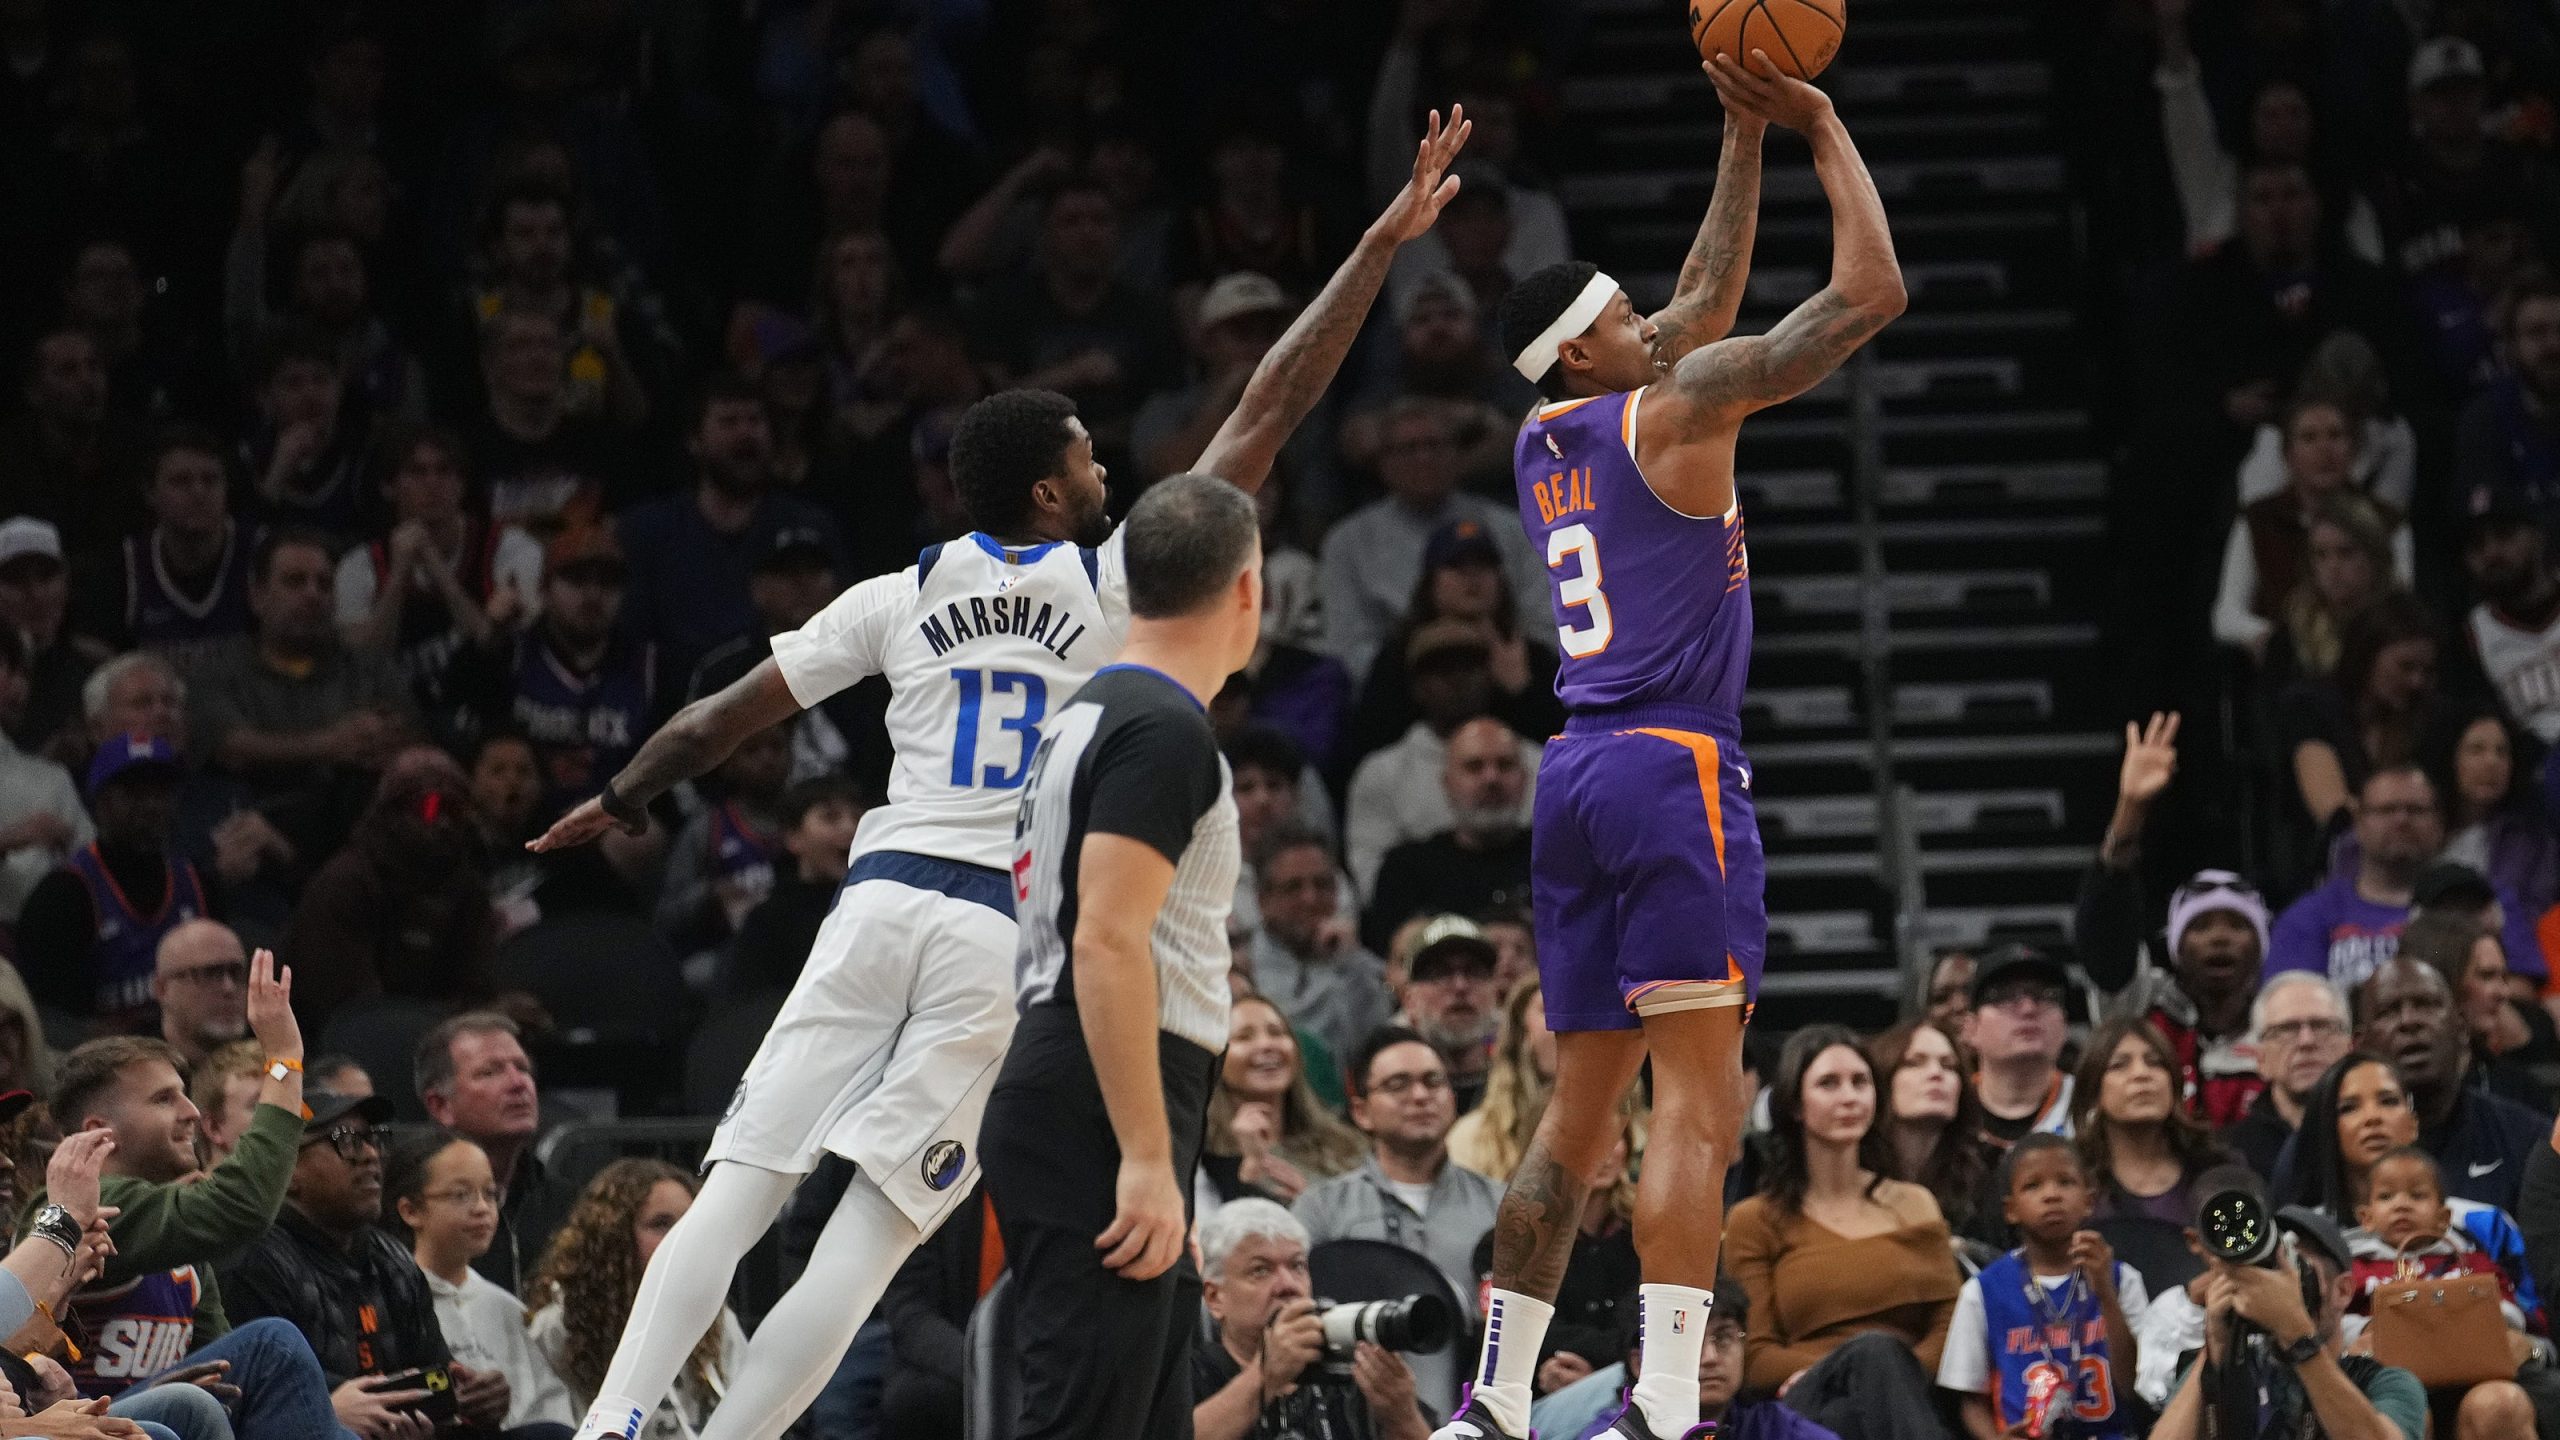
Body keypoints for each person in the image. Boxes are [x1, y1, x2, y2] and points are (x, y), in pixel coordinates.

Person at [532, 117, 1473, 1440]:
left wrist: (619, 795)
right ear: (1048, 491)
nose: (1105, 465)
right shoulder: (1110, 582)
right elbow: (1264, 405)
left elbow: (717, 719)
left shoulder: (895, 594)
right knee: (862, 1244)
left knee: (738, 1184)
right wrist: (1377, 245)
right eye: (1089, 453)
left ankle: (611, 1427)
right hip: (999, 936)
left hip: (876, 902)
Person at [1447, 53, 1908, 1439]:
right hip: (1672, 769)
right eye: (1624, 314)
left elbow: (1698, 305)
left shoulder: (1546, 433)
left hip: (1573, 776)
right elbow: (1867, 296)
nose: (1655, 316)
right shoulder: (1682, 407)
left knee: (1569, 1124)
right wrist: (1821, 124)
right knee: (1697, 1108)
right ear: (1589, 346)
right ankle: (1659, 1403)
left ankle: (1495, 1403)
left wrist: (1735, 131)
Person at [979, 465, 1280, 1440]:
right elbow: (1105, 939)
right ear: (1246, 588)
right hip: (1101, 1093)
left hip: (1086, 1083)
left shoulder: (1094, 711)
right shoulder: (1160, 729)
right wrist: (1149, 1159)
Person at [39, 957, 387, 1440]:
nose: (191, 1113)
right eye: (164, 1100)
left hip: (162, 1415)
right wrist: (283, 1060)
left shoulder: (177, 1232)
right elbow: (240, 1208)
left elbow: (221, 1357)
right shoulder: (76, 1206)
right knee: (271, 1343)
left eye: (186, 1095)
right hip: (72, 1424)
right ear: (101, 1132)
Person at [1721, 1028, 1955, 1440]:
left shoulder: (1915, 1202)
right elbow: (1754, 1355)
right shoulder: (1754, 1219)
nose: (1849, 1097)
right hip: (1805, 1400)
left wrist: (1892, 1373)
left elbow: (1949, 1323)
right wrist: (1861, 1363)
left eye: (1860, 1082)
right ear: (1794, 1104)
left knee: (1869, 1388)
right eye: (1829, 1083)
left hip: (1909, 1393)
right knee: (1873, 1354)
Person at [2074, 712, 2274, 1125]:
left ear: (2261, 945)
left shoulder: (2286, 1025)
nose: (2219, 938)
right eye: (2201, 927)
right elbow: (2107, 939)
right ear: (2175, 946)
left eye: (2237, 926)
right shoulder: (2142, 1010)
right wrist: (2130, 811)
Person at [187, 527, 416, 861]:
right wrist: (332, 744)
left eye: (324, 584)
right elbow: (231, 746)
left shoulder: (369, 669)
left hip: (358, 835)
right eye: (295, 582)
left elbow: (409, 735)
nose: (313, 594)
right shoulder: (221, 671)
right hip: (257, 834)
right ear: (257, 595)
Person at [2145, 1204, 2424, 1440]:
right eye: (2268, 1273)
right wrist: (2216, 1344)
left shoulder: (2385, 1381)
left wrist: (2297, 1335)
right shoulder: (2216, 1369)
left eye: (2295, 1270)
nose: (2278, 1287)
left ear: (2343, 1291)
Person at [1937, 1135, 2147, 1440]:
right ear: (2010, 1210)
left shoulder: (2121, 1278)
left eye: (2065, 1182)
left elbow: (2134, 1384)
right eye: (2033, 1186)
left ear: (2089, 1201)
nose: (2051, 1195)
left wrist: (2105, 1294)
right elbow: (1969, 1398)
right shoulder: (1982, 1290)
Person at [1294, 1027, 1505, 1330]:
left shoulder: (1500, 1205)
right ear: (1361, 1112)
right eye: (1398, 1085)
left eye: (1433, 1082)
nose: (1420, 1096)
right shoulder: (1321, 1210)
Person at [1319, 401, 1545, 683]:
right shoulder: (1348, 542)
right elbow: (1347, 648)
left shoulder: (1514, 528)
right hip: (1397, 692)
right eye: (1409, 449)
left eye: (1435, 445)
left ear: (1459, 455)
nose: (1423, 458)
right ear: (1383, 462)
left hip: (1506, 681)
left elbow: (1544, 626)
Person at [525, 1161, 744, 1440]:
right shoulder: (560, 1327)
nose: (680, 1239)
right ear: (614, 1235)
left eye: (689, 1224)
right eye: (661, 1224)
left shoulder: (714, 1317)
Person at [1191, 1198, 1433, 1440]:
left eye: (1297, 1266)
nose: (1288, 1285)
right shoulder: (1188, 1376)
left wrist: (1404, 1417)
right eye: (1260, 1270)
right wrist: (1264, 1377)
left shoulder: (1356, 1376)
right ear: (1215, 1298)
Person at [385, 1130, 577, 1431]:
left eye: (490, 1193)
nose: (482, 1209)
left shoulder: (508, 1309)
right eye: (460, 1195)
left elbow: (550, 1411)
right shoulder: (391, 1301)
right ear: (411, 1211)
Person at [14, 735, 208, 1031]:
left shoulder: (198, 882)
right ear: (99, 804)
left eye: (161, 791)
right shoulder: (63, 896)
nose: (151, 805)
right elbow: (50, 1023)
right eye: (133, 793)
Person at [2354, 959, 2548, 1212]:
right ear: (2359, 1044)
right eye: (2388, 1011)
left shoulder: (2527, 1139)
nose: (2409, 1021)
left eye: (2426, 1005)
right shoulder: (2325, 1147)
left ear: (2461, 1028)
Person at [2267, 766, 2467, 989]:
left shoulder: (2476, 904)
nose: (2402, 820)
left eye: (2416, 810)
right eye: (2386, 810)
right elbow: (2288, 1004)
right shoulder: (2307, 918)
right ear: (2358, 823)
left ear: (2440, 824)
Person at [413, 1014, 565, 1299]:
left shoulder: (565, 1204)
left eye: (522, 1068)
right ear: (441, 1106)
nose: (518, 1083)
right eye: (490, 1072)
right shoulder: (410, 1208)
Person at [1365, 715, 1534, 951]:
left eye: (1505, 765)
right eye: (1474, 767)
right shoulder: (1406, 871)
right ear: (1447, 783)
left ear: (1525, 779)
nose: (1492, 779)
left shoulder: (1558, 860)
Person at [89, 430, 255, 667]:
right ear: (150, 493)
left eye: (210, 480)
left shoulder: (263, 556)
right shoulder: (125, 567)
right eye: (181, 481)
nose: (198, 492)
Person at [1243, 824, 1393, 1070]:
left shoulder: (1358, 962)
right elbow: (1299, 1040)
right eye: (1293, 887)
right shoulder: (1243, 968)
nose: (1310, 899)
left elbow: (1377, 1044)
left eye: (1322, 885)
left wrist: (1351, 966)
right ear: (1263, 900)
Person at [1201, 994, 1366, 1206]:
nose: (1267, 1045)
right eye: (1244, 1037)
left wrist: (1312, 1208)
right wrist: (1250, 1169)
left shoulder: (1345, 1145)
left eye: (1277, 1033)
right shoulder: (1200, 1152)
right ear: (1215, 1057)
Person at [715, 777, 865, 1000]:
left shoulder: (882, 903)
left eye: (858, 818)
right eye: (830, 817)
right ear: (793, 837)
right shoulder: (768, 922)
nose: (850, 828)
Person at [1865, 1018, 1993, 1242]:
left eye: (1949, 1065)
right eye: (1914, 1063)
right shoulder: (1853, 1174)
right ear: (1882, 1079)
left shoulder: (1989, 1172)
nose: (1936, 1073)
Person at [0, 629, 92, 925]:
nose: (17, 687)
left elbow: (91, 868)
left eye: (24, 673)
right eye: (7, 669)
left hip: (35, 938)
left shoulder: (50, 778)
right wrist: (8, 841)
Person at [2226, 973, 2355, 1179]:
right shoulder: (2232, 1156)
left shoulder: (2378, 1137)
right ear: (2261, 1057)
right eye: (2287, 1029)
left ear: (2349, 1046)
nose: (2306, 1041)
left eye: (2322, 1026)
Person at [1965, 946, 2077, 1146]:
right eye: (2004, 996)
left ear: (2065, 1025)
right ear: (1971, 1028)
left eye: (2046, 996)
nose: (2028, 1009)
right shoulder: (1947, 1110)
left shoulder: (2092, 1108)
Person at [1448, 978, 1557, 1182]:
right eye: (1550, 1009)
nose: (1566, 1024)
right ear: (1521, 1034)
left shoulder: (1631, 1130)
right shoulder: (1471, 1138)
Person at [1397, 924, 1504, 1113]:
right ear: (1409, 1000)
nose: (1460, 986)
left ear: (1495, 993)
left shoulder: (1521, 1089)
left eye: (1474, 972)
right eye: (1440, 973)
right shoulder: (1393, 1097)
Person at [148, 920, 247, 1072]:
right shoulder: (137, 1076)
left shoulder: (272, 1057)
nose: (229, 988)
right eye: (209, 974)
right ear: (162, 989)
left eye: (236, 973)